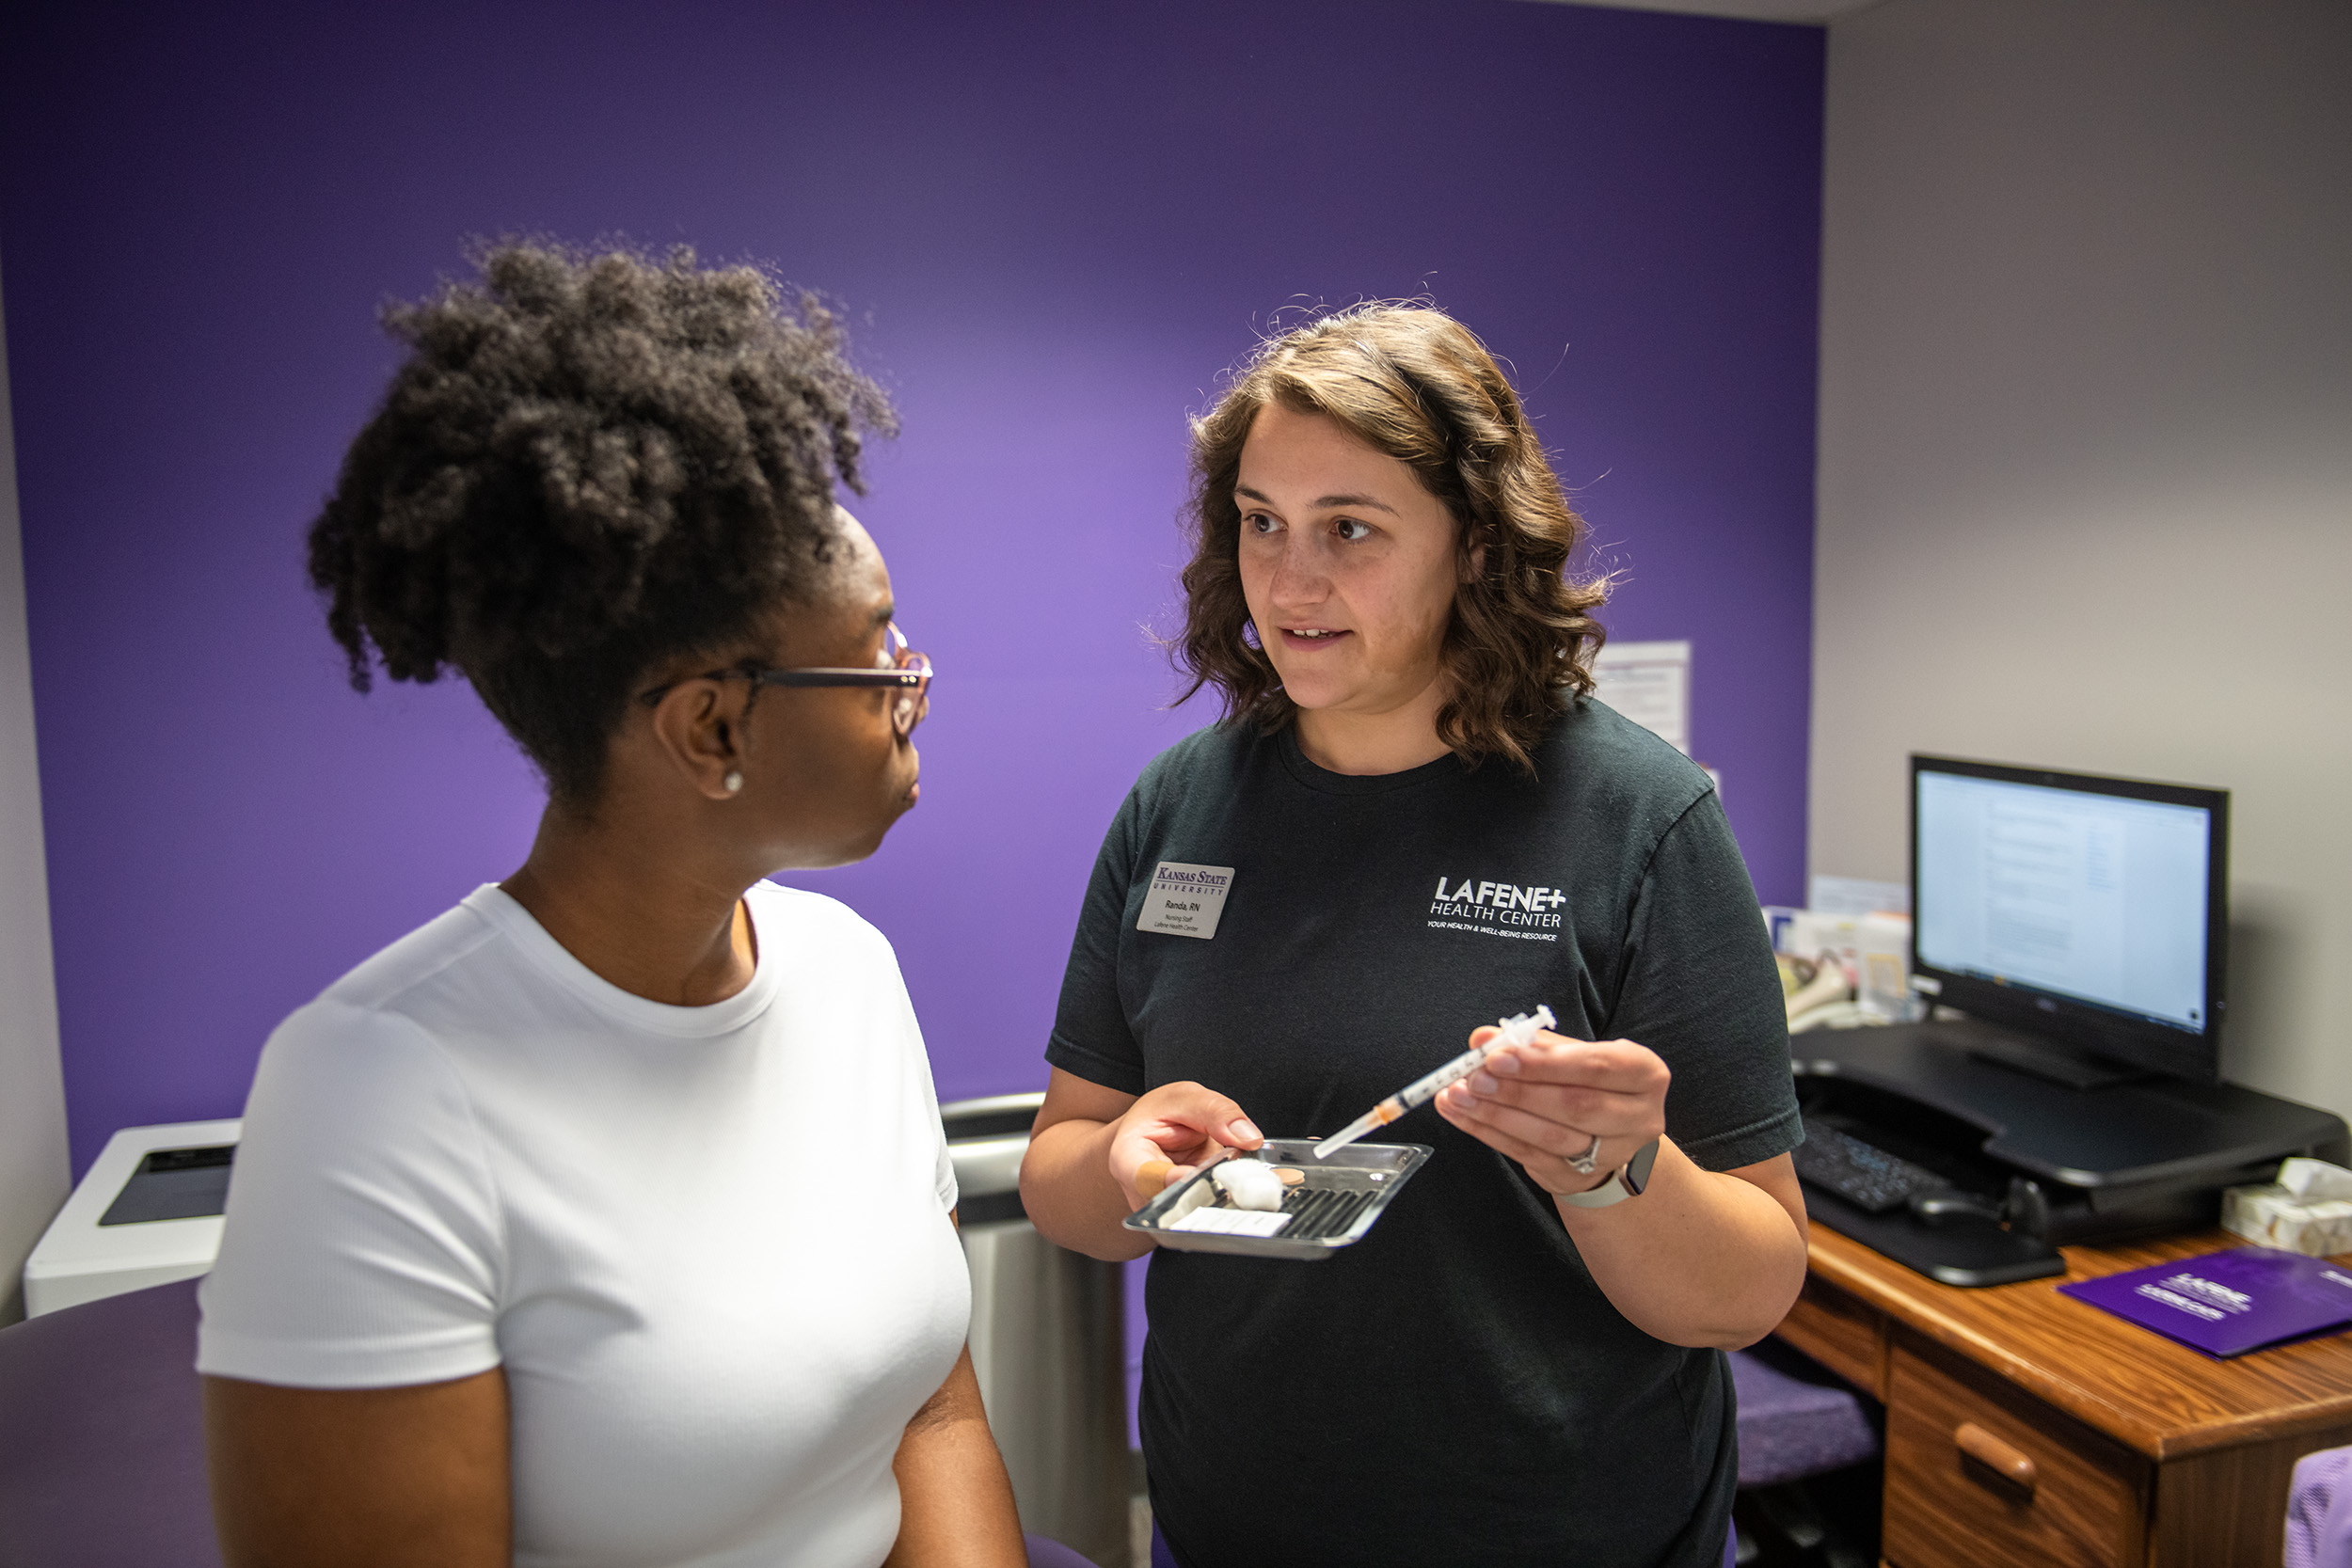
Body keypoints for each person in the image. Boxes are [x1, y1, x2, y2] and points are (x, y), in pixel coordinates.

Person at [199, 244, 1028, 1568]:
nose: (912, 682)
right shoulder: (377, 1095)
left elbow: (929, 1415)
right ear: (711, 731)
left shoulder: (845, 973)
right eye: (875, 650)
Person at [1020, 305, 1807, 1568]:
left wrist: (1610, 1171)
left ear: (1479, 548)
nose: (1288, 582)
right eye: (1261, 521)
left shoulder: (1639, 821)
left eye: (1351, 530)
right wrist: (1122, 1167)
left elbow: (1753, 1288)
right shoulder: (1178, 807)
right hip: (1226, 1527)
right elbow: (1063, 1168)